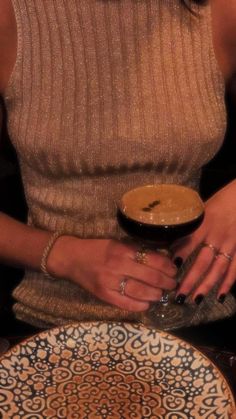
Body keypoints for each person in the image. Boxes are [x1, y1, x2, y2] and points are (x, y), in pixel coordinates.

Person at [0, 0, 236, 331]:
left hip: (196, 314)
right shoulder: (11, 13)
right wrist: (62, 255)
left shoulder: (220, 10)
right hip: (50, 323)